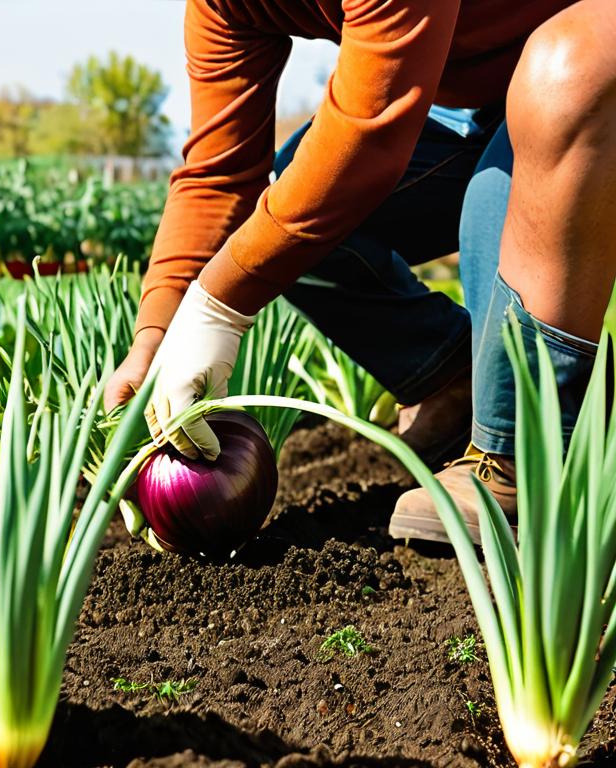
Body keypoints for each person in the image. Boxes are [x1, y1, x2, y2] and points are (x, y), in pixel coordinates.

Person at [103, 0, 616, 545]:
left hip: (587, 70)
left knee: (545, 110)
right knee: (288, 202)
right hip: (477, 100)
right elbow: (219, 179)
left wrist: (218, 305)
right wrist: (154, 340)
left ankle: (520, 452)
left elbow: (371, 134)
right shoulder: (224, 7)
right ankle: (456, 381)